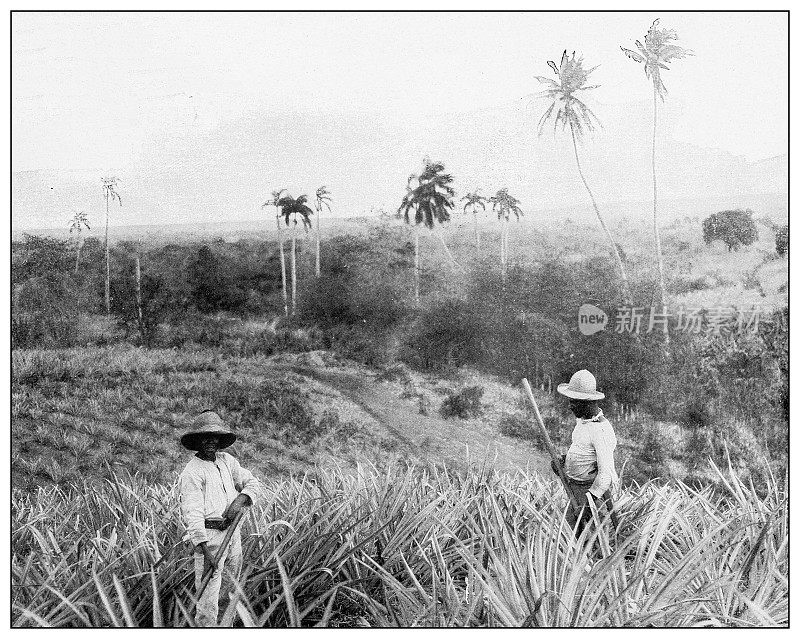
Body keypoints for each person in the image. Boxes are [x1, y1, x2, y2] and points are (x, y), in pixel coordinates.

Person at [178, 410, 265, 627]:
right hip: (210, 538)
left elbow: (253, 483)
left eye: (215, 436)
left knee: (229, 588)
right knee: (208, 598)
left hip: (232, 533)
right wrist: (204, 549)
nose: (211, 441)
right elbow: (193, 513)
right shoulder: (192, 472)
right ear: (197, 440)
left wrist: (240, 500)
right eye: (206, 437)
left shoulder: (227, 461)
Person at [552, 369, 619, 536]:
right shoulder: (583, 422)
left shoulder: (601, 430)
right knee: (567, 538)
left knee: (592, 544)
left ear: (587, 402)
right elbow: (584, 453)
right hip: (576, 491)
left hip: (592, 496)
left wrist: (589, 505)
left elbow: (605, 476)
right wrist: (563, 462)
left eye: (574, 402)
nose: (570, 406)